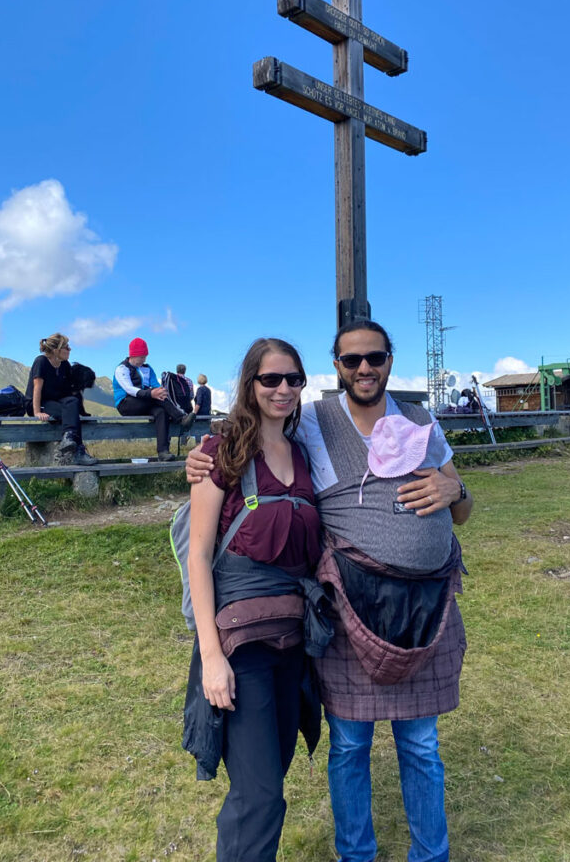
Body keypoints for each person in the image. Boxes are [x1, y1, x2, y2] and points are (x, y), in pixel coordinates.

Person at [188, 319, 473, 862]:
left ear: (390, 359)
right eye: (351, 360)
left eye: (375, 358)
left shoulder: (420, 421)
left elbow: (463, 511)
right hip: (336, 613)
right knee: (346, 747)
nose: (364, 368)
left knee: (421, 745)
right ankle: (355, 856)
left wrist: (457, 487)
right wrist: (202, 458)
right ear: (337, 366)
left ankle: (431, 856)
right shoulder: (313, 424)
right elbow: (214, 517)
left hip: (419, 610)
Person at [186, 337, 325, 862]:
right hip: (242, 643)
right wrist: (212, 658)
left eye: (294, 379)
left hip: (294, 639)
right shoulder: (218, 454)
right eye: (271, 379)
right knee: (260, 793)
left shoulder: (306, 454)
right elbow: (199, 556)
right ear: (250, 385)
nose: (284, 389)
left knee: (275, 769)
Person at [113, 337, 194, 462]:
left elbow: (155, 385)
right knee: (155, 397)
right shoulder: (122, 369)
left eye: (145, 356)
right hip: (126, 403)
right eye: (141, 357)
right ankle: (181, 418)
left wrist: (160, 392)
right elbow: (129, 389)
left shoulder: (148, 368)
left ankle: (163, 451)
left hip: (146, 402)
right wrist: (151, 394)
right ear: (133, 355)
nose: (144, 359)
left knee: (161, 412)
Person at [25, 333, 97, 466]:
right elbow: (37, 388)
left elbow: (69, 389)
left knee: (72, 403)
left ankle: (69, 437)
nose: (69, 350)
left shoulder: (64, 365)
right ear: (56, 350)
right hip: (38, 403)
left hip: (56, 402)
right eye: (66, 347)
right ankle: (79, 451)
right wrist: (36, 412)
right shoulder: (41, 362)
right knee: (71, 414)